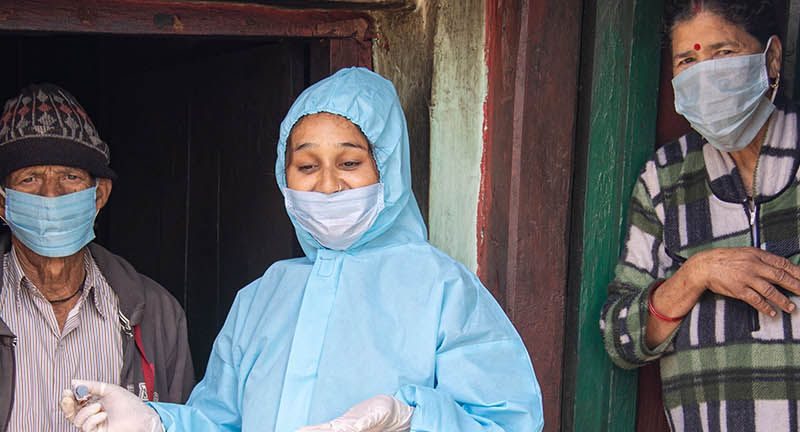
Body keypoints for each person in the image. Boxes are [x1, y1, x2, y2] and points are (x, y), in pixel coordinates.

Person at [60, 67, 544, 432]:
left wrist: (410, 418)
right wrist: (154, 422)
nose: (328, 186)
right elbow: (220, 421)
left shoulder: (443, 289)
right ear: (283, 176)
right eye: (307, 166)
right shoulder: (263, 297)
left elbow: (510, 421)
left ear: (389, 169)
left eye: (350, 162)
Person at [601, 1, 800, 430]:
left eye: (723, 53)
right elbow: (620, 338)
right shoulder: (664, 178)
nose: (705, 75)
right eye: (688, 60)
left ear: (772, 58)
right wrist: (696, 274)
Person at [0, 84, 195, 432]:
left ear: (98, 195)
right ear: (3, 203)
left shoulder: (157, 315)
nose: (51, 194)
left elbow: (183, 424)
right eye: (29, 179)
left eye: (70, 177)